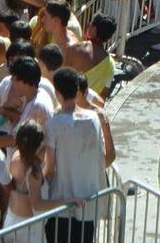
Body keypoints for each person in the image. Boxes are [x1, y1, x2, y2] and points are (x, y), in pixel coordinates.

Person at [43, 68, 112, 243]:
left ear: (57, 93)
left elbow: (49, 169)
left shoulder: (53, 125)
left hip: (61, 202)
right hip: (88, 201)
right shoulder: (94, 119)